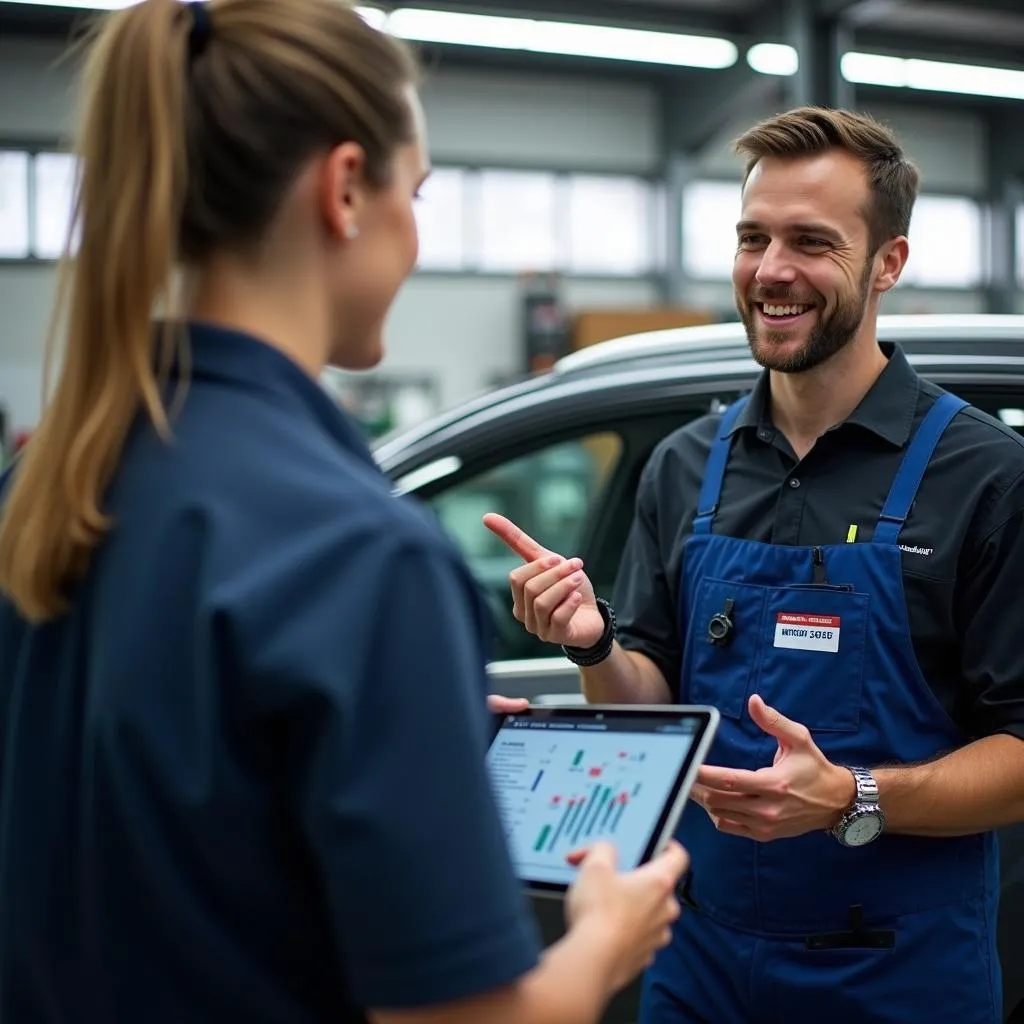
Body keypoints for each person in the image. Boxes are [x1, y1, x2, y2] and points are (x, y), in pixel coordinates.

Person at [0, 2, 689, 1022]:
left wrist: (402, 713)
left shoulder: (52, 484)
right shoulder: (359, 554)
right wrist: (603, 934)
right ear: (344, 189)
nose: (416, 234)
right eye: (416, 193)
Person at [484, 105, 1024, 1023]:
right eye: (753, 237)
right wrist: (592, 646)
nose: (772, 271)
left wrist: (850, 796)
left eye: (812, 242)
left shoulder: (985, 475)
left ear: (887, 263)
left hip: (897, 977)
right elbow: (651, 704)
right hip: (701, 962)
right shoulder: (687, 464)